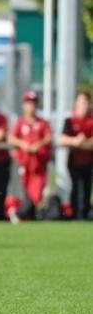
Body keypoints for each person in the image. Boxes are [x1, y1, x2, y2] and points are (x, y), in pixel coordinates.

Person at [8, 90, 52, 220]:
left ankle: (17, 214)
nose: (31, 106)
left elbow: (49, 137)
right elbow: (11, 138)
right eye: (28, 103)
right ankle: (25, 215)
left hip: (39, 166)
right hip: (24, 164)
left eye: (33, 103)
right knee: (25, 194)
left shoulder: (42, 123)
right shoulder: (20, 123)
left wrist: (38, 144)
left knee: (35, 194)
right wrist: (23, 144)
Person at [60, 91, 93, 220]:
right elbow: (63, 138)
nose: (83, 105)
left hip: (89, 161)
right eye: (80, 101)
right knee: (76, 188)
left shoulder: (91, 121)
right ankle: (75, 215)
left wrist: (82, 143)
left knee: (86, 189)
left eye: (85, 102)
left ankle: (84, 214)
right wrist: (74, 141)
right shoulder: (70, 120)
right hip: (74, 161)